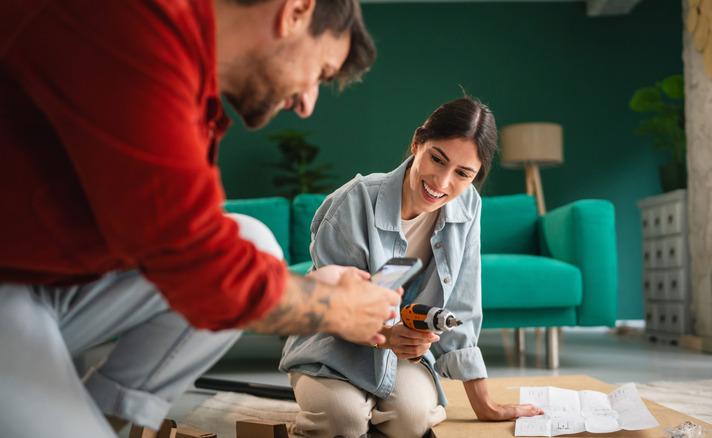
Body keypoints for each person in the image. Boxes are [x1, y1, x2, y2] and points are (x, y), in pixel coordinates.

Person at [0, 0, 402, 437]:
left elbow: (186, 237)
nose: (307, 103)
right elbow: (202, 268)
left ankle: (100, 418)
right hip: (11, 287)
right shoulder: (135, 26)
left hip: (45, 280)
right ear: (296, 11)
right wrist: (333, 308)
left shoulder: (190, 80)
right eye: (321, 74)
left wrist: (307, 290)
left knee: (253, 241)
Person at [279, 97, 544, 438]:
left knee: (412, 421)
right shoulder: (351, 203)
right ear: (418, 142)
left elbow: (462, 303)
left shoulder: (468, 206)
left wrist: (485, 405)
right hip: (332, 345)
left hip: (402, 349)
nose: (443, 182)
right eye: (437, 158)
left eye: (463, 173)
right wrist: (385, 335)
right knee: (343, 421)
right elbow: (332, 309)